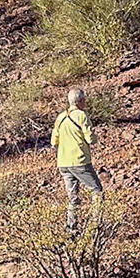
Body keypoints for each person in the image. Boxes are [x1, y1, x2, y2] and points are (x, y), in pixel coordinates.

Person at [50, 87, 102, 233]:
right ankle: (96, 226)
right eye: (84, 100)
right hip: (80, 161)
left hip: (63, 163)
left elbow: (54, 141)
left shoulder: (60, 117)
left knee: (73, 198)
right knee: (97, 190)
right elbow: (90, 139)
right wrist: (94, 138)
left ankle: (71, 229)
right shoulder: (81, 116)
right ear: (80, 101)